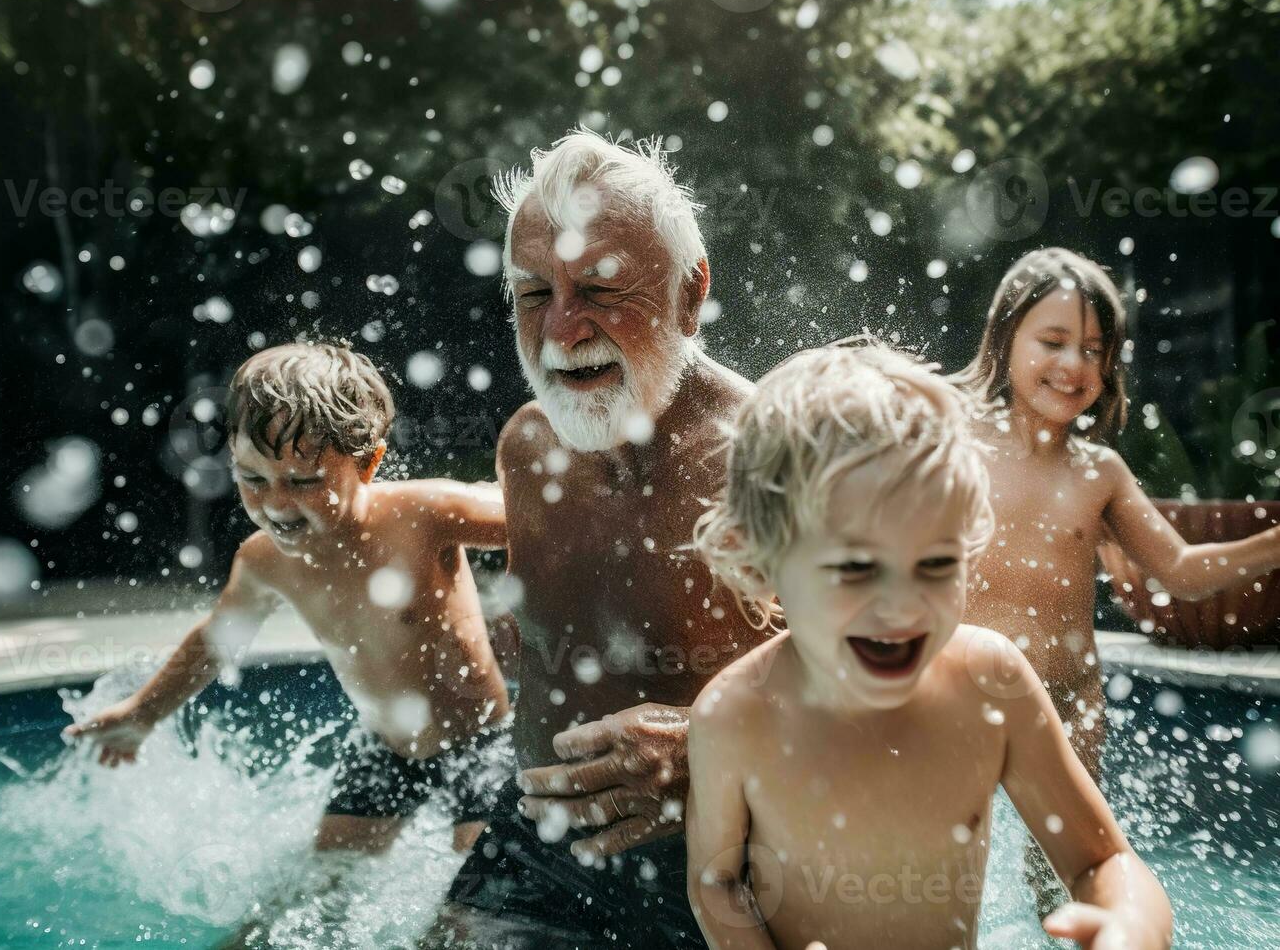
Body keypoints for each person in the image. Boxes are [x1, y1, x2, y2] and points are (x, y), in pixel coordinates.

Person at [686, 340, 1173, 950]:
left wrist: (1130, 925)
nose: (902, 606)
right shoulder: (735, 716)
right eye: (857, 568)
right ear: (761, 564)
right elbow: (717, 883)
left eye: (936, 563)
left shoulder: (988, 682)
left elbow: (1100, 863)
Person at [425, 128, 762, 949]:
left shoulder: (776, 455)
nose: (562, 330)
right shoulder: (528, 448)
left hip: (732, 857)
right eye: (534, 293)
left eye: (603, 289)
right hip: (539, 844)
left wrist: (704, 746)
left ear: (691, 292)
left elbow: (912, 683)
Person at [64, 340, 514, 858]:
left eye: (303, 481)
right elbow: (216, 640)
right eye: (252, 477)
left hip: (482, 744)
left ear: (367, 464)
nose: (275, 503)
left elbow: (539, 518)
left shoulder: (423, 514)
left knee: (470, 915)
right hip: (385, 749)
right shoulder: (264, 561)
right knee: (315, 892)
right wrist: (143, 712)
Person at [950, 247, 1280, 906]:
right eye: (1054, 341)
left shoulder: (1098, 472)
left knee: (1068, 881)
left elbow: (1183, 573)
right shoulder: (955, 444)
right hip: (960, 701)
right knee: (950, 868)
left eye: (1095, 350)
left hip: (1069, 709)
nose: (1075, 365)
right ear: (1004, 338)